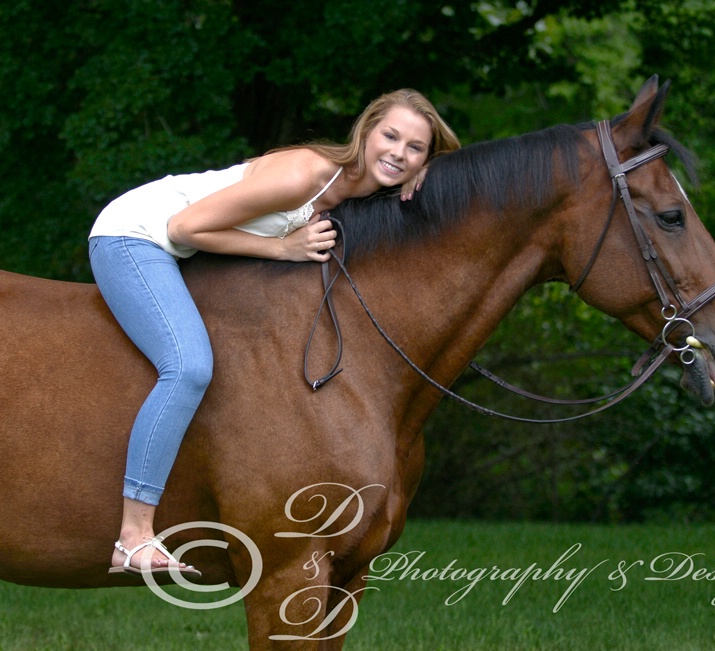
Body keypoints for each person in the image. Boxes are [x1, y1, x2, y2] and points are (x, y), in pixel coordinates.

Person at [89, 89, 460, 576]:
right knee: (189, 367)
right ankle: (134, 538)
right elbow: (183, 228)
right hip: (134, 235)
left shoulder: (360, 189)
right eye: (390, 136)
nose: (398, 152)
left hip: (177, 248)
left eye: (415, 148)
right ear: (366, 132)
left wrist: (431, 175)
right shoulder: (304, 175)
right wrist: (283, 249)